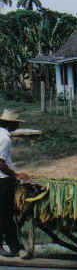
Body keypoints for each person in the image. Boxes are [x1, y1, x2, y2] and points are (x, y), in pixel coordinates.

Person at [0, 109, 30, 258]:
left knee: (3, 214)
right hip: (3, 180)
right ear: (11, 124)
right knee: (6, 214)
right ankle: (14, 247)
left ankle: (13, 246)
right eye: (16, 123)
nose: (17, 125)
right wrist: (16, 174)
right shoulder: (5, 139)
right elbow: (0, 163)